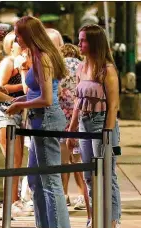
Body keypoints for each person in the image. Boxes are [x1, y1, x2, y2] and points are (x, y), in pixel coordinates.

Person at [6, 16, 70, 228]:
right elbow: (35, 94)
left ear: (29, 34)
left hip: (47, 120)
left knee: (50, 178)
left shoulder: (43, 58)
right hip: (37, 121)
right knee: (35, 179)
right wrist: (20, 100)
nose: (16, 38)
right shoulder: (35, 56)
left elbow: (47, 99)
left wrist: (20, 105)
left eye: (18, 33)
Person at [66, 24, 122, 228]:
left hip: (101, 125)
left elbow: (114, 105)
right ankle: (93, 223)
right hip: (84, 123)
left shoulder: (107, 70)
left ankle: (112, 225)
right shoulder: (81, 67)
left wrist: (107, 134)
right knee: (89, 177)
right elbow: (78, 102)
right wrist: (71, 129)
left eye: (83, 40)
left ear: (94, 43)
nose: (79, 44)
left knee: (108, 176)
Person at [0, 32, 27, 215]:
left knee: (17, 160)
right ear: (10, 46)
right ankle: (11, 202)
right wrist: (21, 88)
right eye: (17, 42)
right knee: (12, 159)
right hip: (4, 113)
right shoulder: (9, 63)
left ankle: (15, 200)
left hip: (16, 113)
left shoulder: (23, 62)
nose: (21, 44)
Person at [58, 44, 90, 217]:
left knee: (63, 161)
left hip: (62, 116)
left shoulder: (59, 65)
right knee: (77, 159)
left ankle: (63, 194)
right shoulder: (82, 65)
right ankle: (81, 194)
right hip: (78, 116)